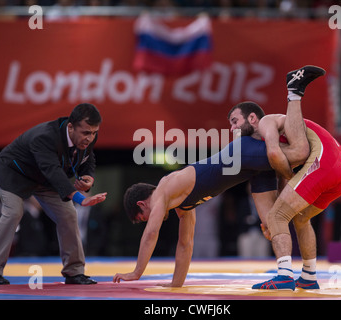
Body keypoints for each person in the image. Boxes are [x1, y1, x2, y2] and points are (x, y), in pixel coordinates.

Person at [112, 66, 323, 288]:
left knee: (299, 153)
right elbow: (185, 244)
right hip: (249, 171)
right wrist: (175, 285)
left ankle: (293, 91)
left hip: (239, 156)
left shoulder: (164, 188)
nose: (146, 220)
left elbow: (151, 233)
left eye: (141, 217)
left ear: (141, 204)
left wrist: (136, 272)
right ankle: (287, 275)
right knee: (272, 223)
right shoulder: (182, 205)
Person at [233, 66, 341, 290]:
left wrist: (285, 186)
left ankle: (285, 275)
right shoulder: (286, 129)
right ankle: (308, 276)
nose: (232, 128)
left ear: (252, 118)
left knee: (277, 215)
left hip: (324, 163)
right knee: (300, 218)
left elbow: (276, 154)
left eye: (234, 121)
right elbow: (286, 173)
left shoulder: (267, 122)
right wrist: (286, 183)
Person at [0, 103, 107, 285]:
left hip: (44, 179)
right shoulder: (45, 137)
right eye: (86, 132)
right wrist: (80, 198)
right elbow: (53, 171)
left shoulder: (88, 137)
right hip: (15, 174)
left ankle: (74, 272)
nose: (90, 137)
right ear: (70, 127)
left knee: (68, 214)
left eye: (94, 132)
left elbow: (88, 158)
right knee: (13, 213)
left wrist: (88, 177)